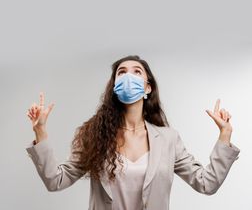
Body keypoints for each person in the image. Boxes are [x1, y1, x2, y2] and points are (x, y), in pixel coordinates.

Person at [26, 55, 240, 210]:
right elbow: (56, 181)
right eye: (122, 72)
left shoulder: (168, 139)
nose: (129, 76)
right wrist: (40, 131)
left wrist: (225, 135)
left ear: (148, 88)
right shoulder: (94, 135)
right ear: (115, 86)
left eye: (137, 72)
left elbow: (206, 183)